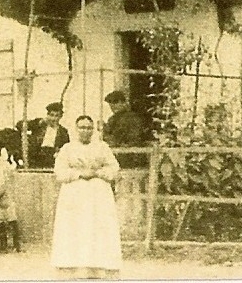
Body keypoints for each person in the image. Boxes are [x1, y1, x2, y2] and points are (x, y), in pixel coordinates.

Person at [50, 115, 122, 279]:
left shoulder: (102, 147)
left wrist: (97, 172)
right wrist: (80, 173)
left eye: (89, 128)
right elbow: (59, 171)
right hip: (74, 194)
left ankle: (99, 268)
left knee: (97, 227)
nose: (85, 131)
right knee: (75, 227)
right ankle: (73, 268)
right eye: (82, 128)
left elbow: (114, 168)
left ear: (93, 130)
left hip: (98, 194)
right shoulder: (67, 148)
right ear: (76, 129)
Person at [101, 91, 153, 169]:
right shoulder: (112, 119)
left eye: (116, 102)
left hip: (132, 157)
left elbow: (134, 139)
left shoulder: (132, 118)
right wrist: (104, 129)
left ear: (124, 103)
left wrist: (113, 140)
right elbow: (107, 138)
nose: (113, 106)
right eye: (110, 103)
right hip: (117, 157)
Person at [21, 102, 71, 169]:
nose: (53, 118)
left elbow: (66, 149)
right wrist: (39, 122)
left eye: (56, 116)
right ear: (47, 115)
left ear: (60, 117)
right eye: (51, 115)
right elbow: (19, 125)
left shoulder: (63, 132)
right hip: (36, 157)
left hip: (52, 159)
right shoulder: (40, 125)